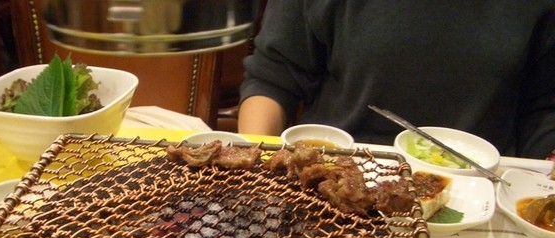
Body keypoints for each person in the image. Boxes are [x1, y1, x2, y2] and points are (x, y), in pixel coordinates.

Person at [238, 0, 555, 160]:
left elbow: (544, 108)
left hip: (483, 187)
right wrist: (256, 168)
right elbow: (274, 79)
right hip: (336, 170)